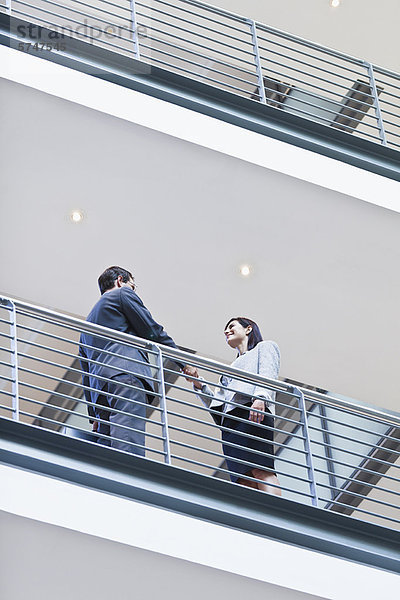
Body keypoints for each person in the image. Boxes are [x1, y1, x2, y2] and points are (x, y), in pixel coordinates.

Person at [79, 266, 197, 455]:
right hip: (127, 375)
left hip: (100, 390)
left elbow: (85, 371)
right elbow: (152, 330)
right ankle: (127, 479)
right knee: (127, 440)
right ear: (120, 281)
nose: (133, 291)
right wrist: (184, 363)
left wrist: (93, 415)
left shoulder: (86, 324)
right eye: (133, 286)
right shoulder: (122, 294)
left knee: (107, 447)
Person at [193, 317, 281, 495]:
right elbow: (219, 405)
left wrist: (261, 398)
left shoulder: (264, 347)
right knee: (243, 479)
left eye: (231, 326)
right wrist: (198, 384)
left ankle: (277, 510)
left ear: (248, 329)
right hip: (231, 424)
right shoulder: (231, 368)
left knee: (260, 469)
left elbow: (268, 372)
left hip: (253, 411)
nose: (227, 331)